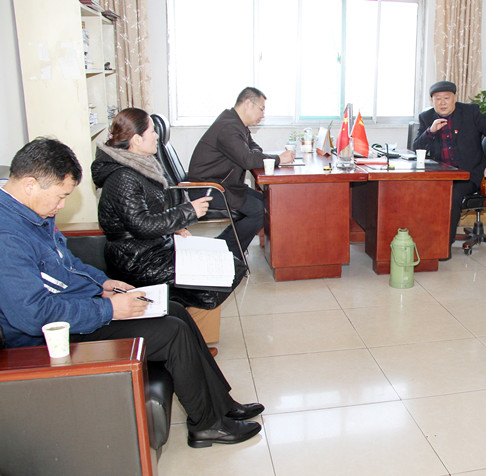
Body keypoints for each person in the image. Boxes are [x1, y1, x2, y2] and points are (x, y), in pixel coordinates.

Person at [0, 138, 264, 448]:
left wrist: (103, 284)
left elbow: (66, 264)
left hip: (76, 309)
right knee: (172, 332)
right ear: (30, 185)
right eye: (61, 197)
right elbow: (32, 315)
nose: (61, 206)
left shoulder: (32, 214)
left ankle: (222, 403)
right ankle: (206, 425)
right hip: (51, 339)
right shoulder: (8, 237)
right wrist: (111, 309)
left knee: (174, 310)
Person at [92, 107, 245, 315]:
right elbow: (142, 225)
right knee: (227, 270)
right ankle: (175, 312)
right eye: (152, 131)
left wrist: (173, 228)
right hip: (137, 260)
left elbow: (146, 216)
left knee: (228, 265)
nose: (157, 136)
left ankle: (177, 311)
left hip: (150, 247)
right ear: (137, 139)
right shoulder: (123, 177)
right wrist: (188, 212)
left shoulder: (139, 166)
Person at [187, 87, 294, 258]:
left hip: (225, 185)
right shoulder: (228, 127)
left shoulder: (236, 123)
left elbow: (254, 149)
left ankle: (221, 245)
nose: (263, 115)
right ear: (248, 104)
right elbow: (248, 159)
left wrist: (254, 155)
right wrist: (279, 158)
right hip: (209, 189)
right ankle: (226, 253)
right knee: (259, 209)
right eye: (261, 109)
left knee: (269, 202)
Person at [413, 81, 486, 250]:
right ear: (431, 101)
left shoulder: (470, 112)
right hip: (442, 174)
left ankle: (443, 246)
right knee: (418, 192)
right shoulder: (426, 118)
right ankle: (423, 238)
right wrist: (430, 131)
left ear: (455, 98)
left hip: (469, 174)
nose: (442, 103)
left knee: (452, 195)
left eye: (447, 98)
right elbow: (417, 148)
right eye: (437, 99)